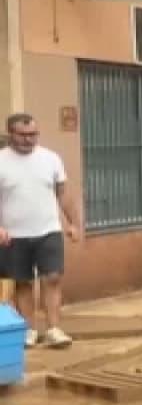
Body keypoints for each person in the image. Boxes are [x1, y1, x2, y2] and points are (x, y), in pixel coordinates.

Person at [0, 114, 82, 349]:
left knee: (53, 277)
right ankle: (29, 329)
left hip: (48, 230)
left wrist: (73, 223)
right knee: (23, 282)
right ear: (10, 134)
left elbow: (63, 193)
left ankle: (54, 328)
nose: (28, 140)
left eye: (33, 134)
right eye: (22, 135)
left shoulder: (50, 159)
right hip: (13, 235)